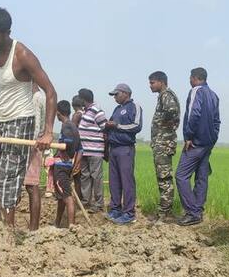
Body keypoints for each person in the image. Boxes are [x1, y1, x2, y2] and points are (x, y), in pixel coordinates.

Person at [0, 7, 57, 229]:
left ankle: (8, 231)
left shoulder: (22, 54)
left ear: (7, 33)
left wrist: (48, 131)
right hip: (0, 121)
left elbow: (50, 92)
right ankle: (4, 225)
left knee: (9, 178)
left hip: (22, 120)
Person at [175, 68, 220, 227]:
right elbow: (217, 121)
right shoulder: (214, 95)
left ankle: (192, 212)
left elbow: (194, 114)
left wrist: (188, 136)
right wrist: (213, 139)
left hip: (195, 143)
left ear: (194, 78)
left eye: (190, 77)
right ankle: (198, 210)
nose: (189, 80)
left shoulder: (196, 91)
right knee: (202, 177)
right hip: (207, 143)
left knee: (181, 175)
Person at [104, 83, 142, 225]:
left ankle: (129, 213)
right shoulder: (116, 109)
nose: (114, 97)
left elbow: (137, 126)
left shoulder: (134, 107)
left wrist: (117, 126)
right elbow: (110, 126)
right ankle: (115, 209)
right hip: (113, 149)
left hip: (125, 148)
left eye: (116, 94)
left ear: (126, 93)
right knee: (114, 181)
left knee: (127, 181)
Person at [148, 71, 181, 223]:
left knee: (164, 178)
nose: (150, 85)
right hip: (161, 143)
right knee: (163, 177)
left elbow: (172, 111)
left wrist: (165, 123)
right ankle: (164, 210)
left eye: (152, 82)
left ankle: (165, 213)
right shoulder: (163, 96)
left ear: (161, 82)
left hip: (164, 143)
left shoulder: (166, 95)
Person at [77, 88, 107, 214]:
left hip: (95, 151)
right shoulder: (85, 112)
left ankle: (99, 203)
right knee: (85, 177)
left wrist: (105, 149)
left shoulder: (96, 110)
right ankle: (86, 201)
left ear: (84, 99)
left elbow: (105, 128)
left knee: (96, 177)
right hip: (85, 151)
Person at [52, 100, 82, 228]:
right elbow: (80, 149)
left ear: (58, 113)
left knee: (67, 197)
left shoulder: (67, 127)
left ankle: (71, 225)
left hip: (62, 167)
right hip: (67, 165)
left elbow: (67, 144)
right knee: (61, 197)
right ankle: (57, 223)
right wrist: (76, 162)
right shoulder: (73, 127)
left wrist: (55, 148)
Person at [23, 84, 46, 230]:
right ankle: (33, 227)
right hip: (34, 143)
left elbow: (36, 125)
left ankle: (33, 227)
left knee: (31, 186)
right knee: (31, 186)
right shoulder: (41, 97)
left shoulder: (35, 97)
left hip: (29, 144)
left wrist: (31, 142)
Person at [71, 95, 85, 201]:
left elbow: (72, 131)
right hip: (85, 146)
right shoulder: (85, 113)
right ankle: (82, 197)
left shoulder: (77, 115)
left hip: (77, 147)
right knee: (81, 176)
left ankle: (78, 198)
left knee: (76, 176)